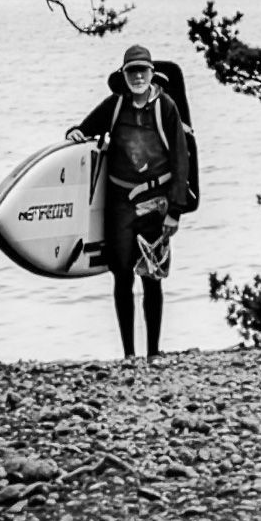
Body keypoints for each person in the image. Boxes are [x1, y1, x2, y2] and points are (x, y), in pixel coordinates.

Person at [66, 44, 194, 359]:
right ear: (124, 76)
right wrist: (75, 135)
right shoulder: (114, 106)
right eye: (132, 72)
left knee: (151, 277)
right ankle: (128, 355)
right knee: (121, 275)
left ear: (152, 74)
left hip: (156, 202)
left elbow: (180, 160)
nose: (137, 77)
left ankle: (152, 352)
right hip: (120, 202)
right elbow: (83, 129)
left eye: (143, 71)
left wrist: (174, 211)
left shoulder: (166, 108)